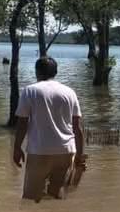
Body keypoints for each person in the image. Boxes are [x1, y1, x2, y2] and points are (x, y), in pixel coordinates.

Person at [12, 56, 86, 201]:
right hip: (66, 150)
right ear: (56, 72)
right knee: (56, 196)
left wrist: (17, 148)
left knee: (31, 199)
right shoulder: (69, 92)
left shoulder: (30, 91)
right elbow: (77, 127)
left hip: (40, 151)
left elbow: (22, 123)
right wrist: (79, 156)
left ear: (37, 72)